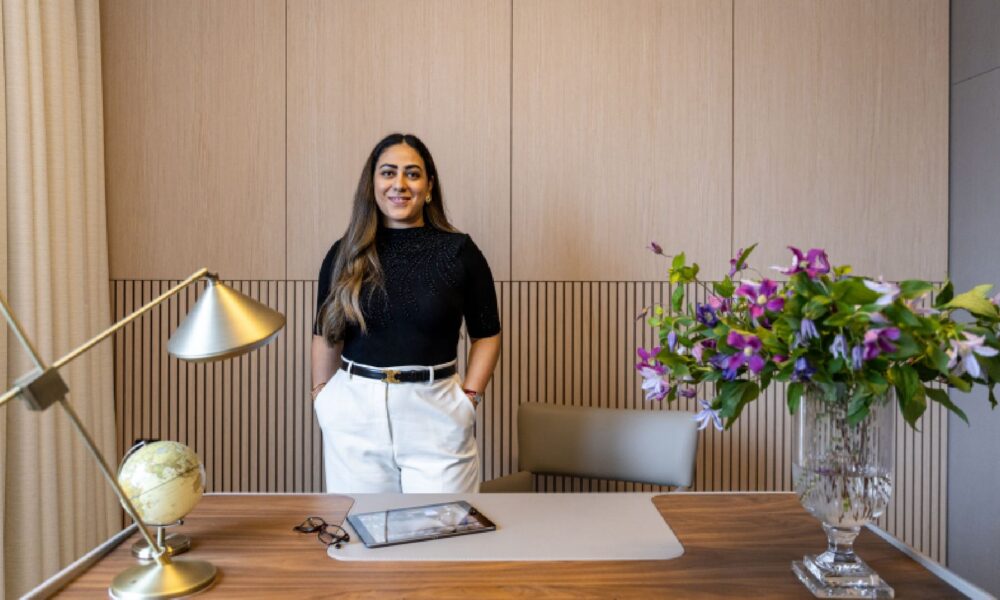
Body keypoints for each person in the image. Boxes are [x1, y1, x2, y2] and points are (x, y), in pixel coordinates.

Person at [311, 133, 501, 494]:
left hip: (436, 411)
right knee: (363, 535)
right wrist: (322, 396)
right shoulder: (344, 253)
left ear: (429, 187)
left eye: (412, 174)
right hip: (354, 413)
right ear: (373, 184)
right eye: (388, 173)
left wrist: (469, 399)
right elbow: (325, 334)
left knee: (442, 537)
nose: (399, 184)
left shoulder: (459, 252)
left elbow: (487, 334)